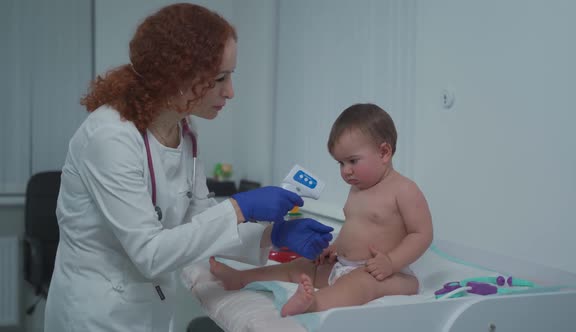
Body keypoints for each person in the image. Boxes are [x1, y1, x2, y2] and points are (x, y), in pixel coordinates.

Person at [44, 4, 333, 332]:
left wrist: (271, 235)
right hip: (97, 313)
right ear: (177, 76)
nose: (231, 92)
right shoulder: (110, 137)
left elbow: (198, 223)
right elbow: (150, 252)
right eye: (219, 78)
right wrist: (239, 208)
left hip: (150, 306)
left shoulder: (185, 131)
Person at [209, 103, 433, 316]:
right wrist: (336, 248)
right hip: (342, 265)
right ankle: (242, 278)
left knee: (360, 284)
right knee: (299, 267)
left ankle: (314, 303)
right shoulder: (358, 189)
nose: (346, 171)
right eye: (341, 163)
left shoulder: (404, 190)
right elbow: (357, 227)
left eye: (352, 161)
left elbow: (421, 234)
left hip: (384, 272)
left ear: (384, 153)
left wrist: (391, 262)